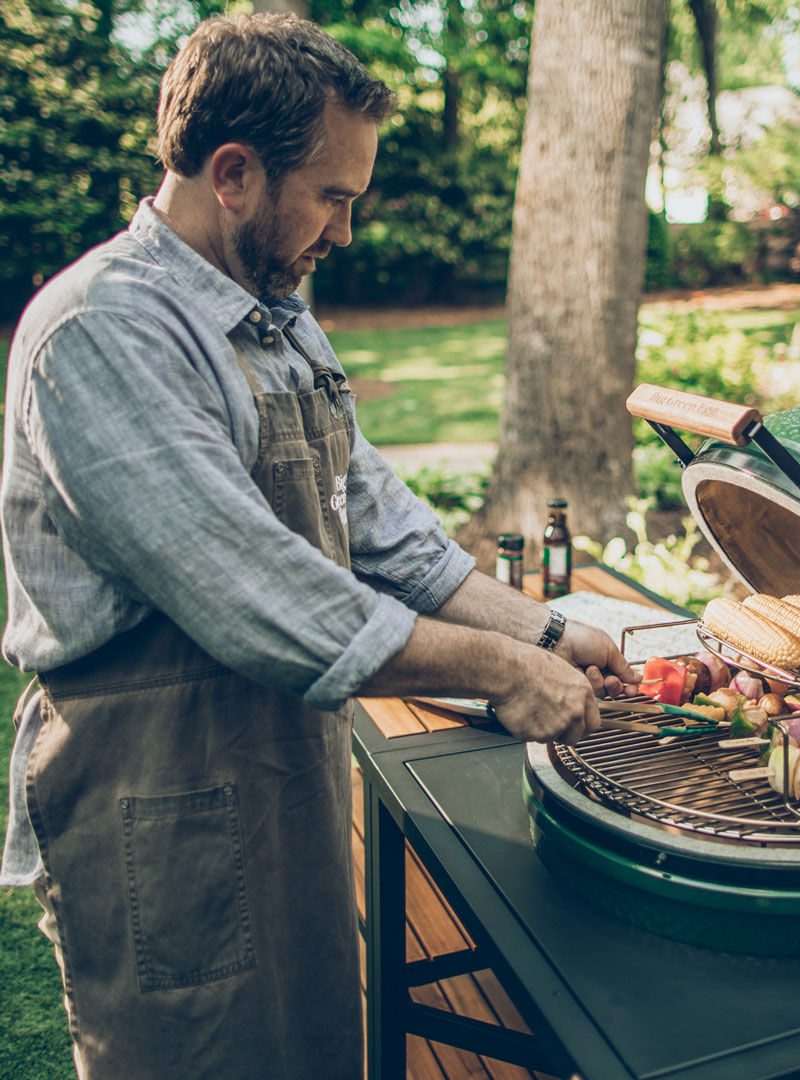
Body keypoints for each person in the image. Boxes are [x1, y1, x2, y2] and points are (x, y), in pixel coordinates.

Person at [0, 13, 637, 1079]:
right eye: (334, 197)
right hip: (159, 794)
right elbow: (264, 597)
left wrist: (551, 628)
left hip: (282, 764)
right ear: (235, 173)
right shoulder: (101, 331)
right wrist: (501, 670)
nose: (345, 231)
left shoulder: (277, 312)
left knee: (310, 1050)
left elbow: (382, 525)